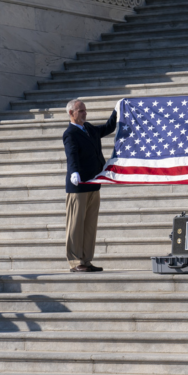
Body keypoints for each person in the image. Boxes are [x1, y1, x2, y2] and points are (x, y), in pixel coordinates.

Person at [63, 99, 117, 273]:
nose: (85, 113)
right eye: (81, 111)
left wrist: (117, 110)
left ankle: (86, 260)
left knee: (89, 226)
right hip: (78, 185)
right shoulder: (70, 133)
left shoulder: (88, 129)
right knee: (75, 225)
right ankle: (74, 261)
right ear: (71, 113)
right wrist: (74, 172)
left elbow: (108, 127)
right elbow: (72, 155)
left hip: (94, 183)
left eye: (85, 110)